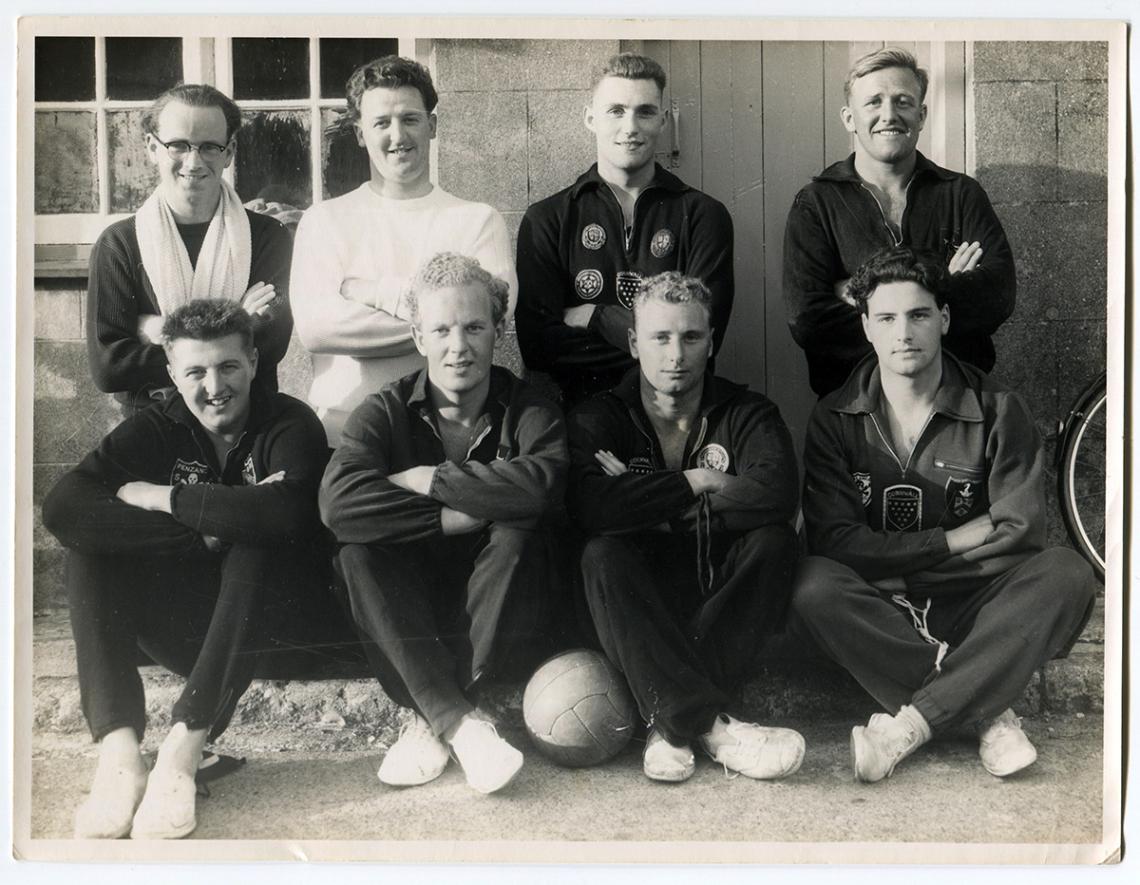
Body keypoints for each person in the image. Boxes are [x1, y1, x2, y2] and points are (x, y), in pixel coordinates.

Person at [791, 247, 1096, 783]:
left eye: (919, 315)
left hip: (976, 601)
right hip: (884, 605)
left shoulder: (999, 407)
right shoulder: (835, 415)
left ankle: (908, 725)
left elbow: (1021, 534)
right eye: (886, 318)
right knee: (813, 584)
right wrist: (948, 542)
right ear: (865, 327)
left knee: (1067, 574)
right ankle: (988, 714)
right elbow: (834, 542)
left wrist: (903, 567)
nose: (903, 333)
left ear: (945, 320)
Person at [42, 299, 330, 838]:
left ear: (253, 361)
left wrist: (162, 495)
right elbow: (64, 507)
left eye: (228, 367)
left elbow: (286, 512)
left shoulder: (290, 422)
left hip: (268, 631)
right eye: (195, 371)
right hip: (185, 628)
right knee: (89, 549)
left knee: (258, 543)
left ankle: (182, 752)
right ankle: (120, 758)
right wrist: (207, 531)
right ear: (172, 374)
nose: (213, 386)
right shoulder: (158, 425)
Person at [320, 253, 567, 794]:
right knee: (354, 554)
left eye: (475, 327)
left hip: (500, 609)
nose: (459, 346)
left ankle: (432, 714)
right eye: (442, 329)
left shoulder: (530, 408)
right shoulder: (382, 410)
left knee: (518, 532)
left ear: (498, 331)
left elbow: (543, 486)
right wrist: (453, 518)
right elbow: (339, 503)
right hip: (415, 600)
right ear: (417, 336)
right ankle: (461, 722)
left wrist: (428, 478)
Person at [568, 271, 803, 784]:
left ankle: (670, 726)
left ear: (711, 341)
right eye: (660, 337)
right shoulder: (599, 415)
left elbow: (777, 495)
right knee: (601, 554)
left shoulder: (747, 411)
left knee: (774, 542)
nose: (675, 354)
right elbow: (593, 508)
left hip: (716, 589)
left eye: (691, 337)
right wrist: (699, 481)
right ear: (634, 342)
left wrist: (643, 496)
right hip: (639, 597)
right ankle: (713, 727)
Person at [291, 56, 517, 446]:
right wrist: (448, 319)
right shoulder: (324, 220)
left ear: (432, 126)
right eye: (381, 122)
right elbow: (316, 330)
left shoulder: (478, 220)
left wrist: (376, 293)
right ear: (360, 132)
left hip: (447, 437)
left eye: (410, 119)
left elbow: (494, 314)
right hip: (341, 433)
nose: (397, 136)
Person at [784, 47, 1016, 397]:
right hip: (856, 408)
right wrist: (942, 287)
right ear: (849, 118)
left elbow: (997, 296)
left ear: (921, 115)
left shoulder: (961, 194)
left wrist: (867, 298)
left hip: (959, 398)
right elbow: (810, 321)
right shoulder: (816, 204)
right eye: (873, 102)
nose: (889, 115)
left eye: (903, 102)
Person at [516, 52, 734, 406]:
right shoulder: (548, 218)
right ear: (590, 118)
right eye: (616, 110)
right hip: (580, 418)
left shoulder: (703, 216)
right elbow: (538, 348)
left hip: (676, 414)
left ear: (663, 120)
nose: (630, 127)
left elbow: (703, 343)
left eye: (644, 112)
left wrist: (596, 316)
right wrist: (659, 346)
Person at [87, 84, 294, 414]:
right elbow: (109, 368)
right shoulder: (119, 244)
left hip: (251, 426)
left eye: (210, 147)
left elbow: (270, 343)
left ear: (229, 151)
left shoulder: (269, 237)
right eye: (178, 146)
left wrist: (162, 332)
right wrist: (237, 322)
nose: (194, 161)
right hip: (152, 427)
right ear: (152, 147)